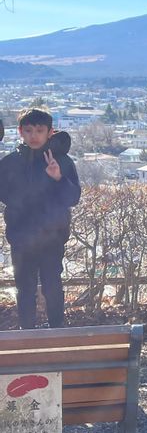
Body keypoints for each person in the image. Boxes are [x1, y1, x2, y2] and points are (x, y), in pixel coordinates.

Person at [0, 108, 81, 329]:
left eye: (39, 130)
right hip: (21, 238)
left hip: (52, 238)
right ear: (20, 132)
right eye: (28, 130)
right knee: (24, 289)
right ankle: (27, 334)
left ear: (49, 132)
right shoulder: (10, 162)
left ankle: (57, 331)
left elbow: (73, 197)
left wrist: (58, 178)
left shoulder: (62, 161)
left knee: (52, 286)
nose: (34, 135)